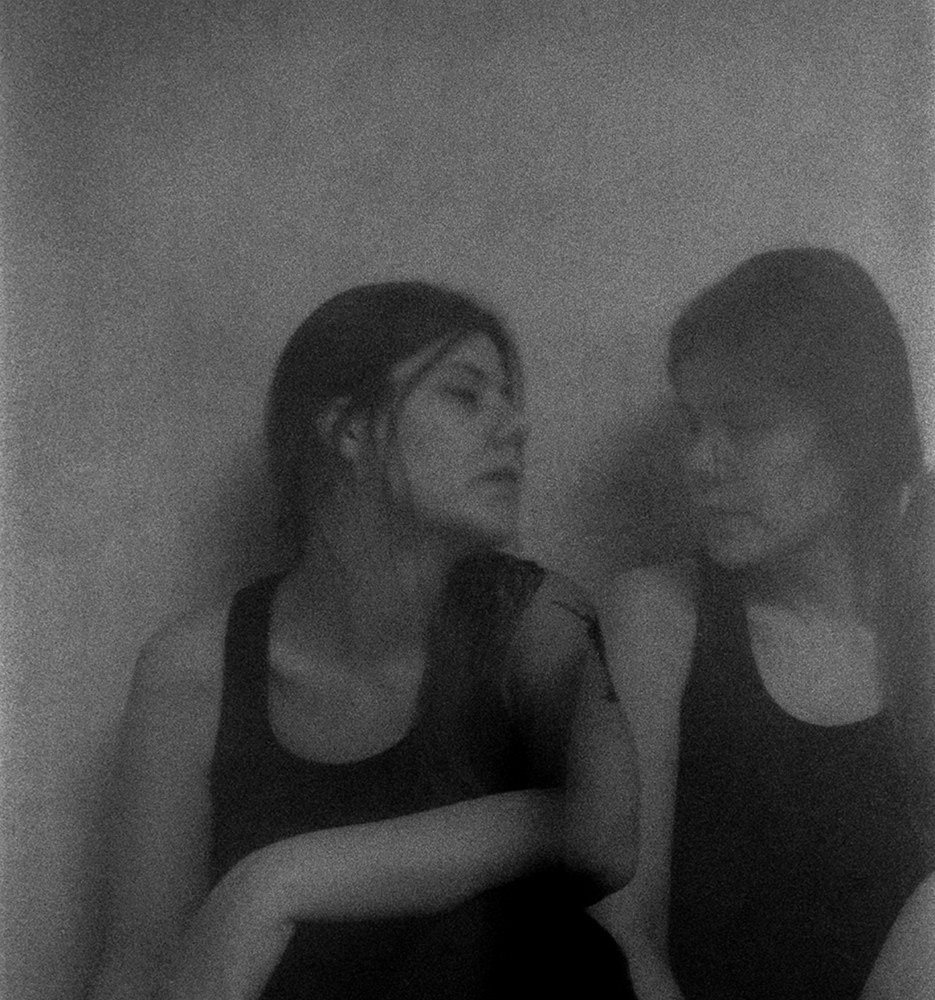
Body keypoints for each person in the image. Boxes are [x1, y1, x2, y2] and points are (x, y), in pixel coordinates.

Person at [89, 281, 639, 1000]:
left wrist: (275, 881)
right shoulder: (192, 669)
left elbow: (605, 840)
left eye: (509, 399)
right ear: (348, 429)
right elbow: (142, 969)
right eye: (464, 394)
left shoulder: (538, 619)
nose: (516, 426)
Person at [596, 248, 935, 1000]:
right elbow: (621, 929)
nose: (699, 462)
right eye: (692, 425)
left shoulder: (923, 620)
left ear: (855, 435)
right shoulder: (660, 618)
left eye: (743, 425)